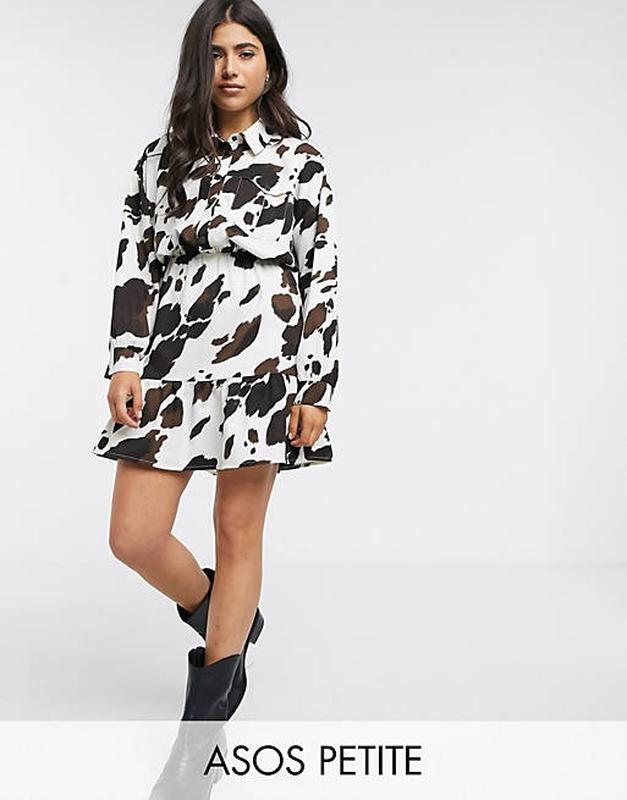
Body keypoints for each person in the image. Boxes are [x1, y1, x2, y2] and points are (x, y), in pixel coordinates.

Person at [91, 0, 340, 721]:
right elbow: (134, 264)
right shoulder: (161, 159)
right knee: (133, 536)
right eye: (214, 53)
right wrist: (125, 359)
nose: (229, 68)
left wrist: (315, 386)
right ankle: (218, 608)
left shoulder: (298, 162)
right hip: (171, 354)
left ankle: (208, 706)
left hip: (266, 358)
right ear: (195, 66)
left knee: (237, 530)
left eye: (245, 52)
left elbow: (320, 276)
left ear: (269, 65)